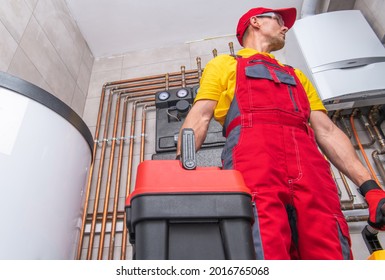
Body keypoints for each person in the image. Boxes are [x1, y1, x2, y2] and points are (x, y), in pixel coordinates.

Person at [176, 6, 385, 260]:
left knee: (331, 248)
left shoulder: (297, 76)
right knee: (263, 247)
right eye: (278, 20)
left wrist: (371, 188)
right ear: (255, 22)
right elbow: (200, 115)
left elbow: (327, 131)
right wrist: (179, 176)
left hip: (312, 172)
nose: (285, 27)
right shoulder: (224, 64)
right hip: (255, 165)